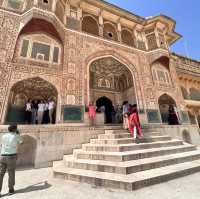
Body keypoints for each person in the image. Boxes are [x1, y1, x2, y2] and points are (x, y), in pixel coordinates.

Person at [0, 124, 23, 196]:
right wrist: (18, 134)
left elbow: (1, 144)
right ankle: (11, 189)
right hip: (11, 157)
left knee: (0, 174)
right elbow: (21, 142)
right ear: (14, 129)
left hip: (2, 156)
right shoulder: (16, 136)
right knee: (11, 173)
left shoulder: (3, 136)